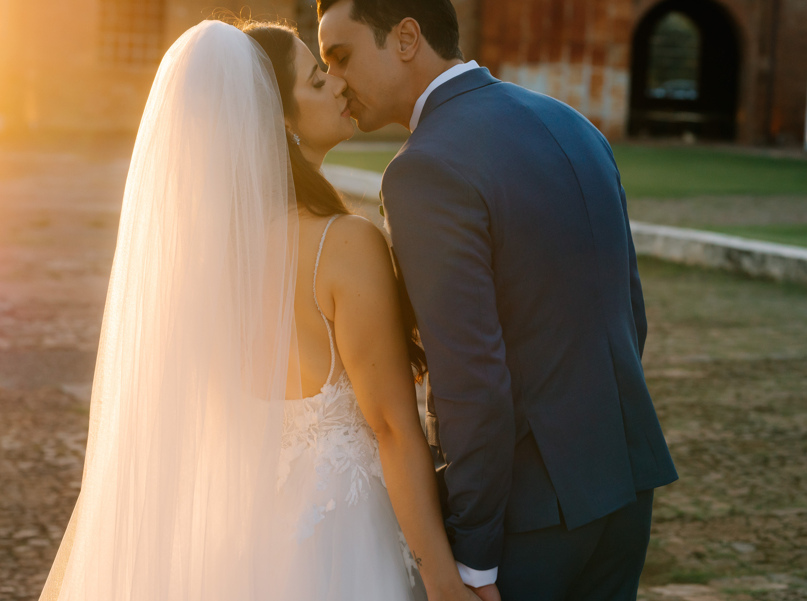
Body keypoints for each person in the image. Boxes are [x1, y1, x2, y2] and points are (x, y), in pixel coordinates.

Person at [38, 19, 480, 601]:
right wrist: (444, 581)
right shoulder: (343, 244)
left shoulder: (202, 261)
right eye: (320, 82)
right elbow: (394, 427)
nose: (341, 87)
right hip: (341, 548)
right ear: (278, 120)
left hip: (243, 548)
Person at [317, 1, 678, 600]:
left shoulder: (424, 171)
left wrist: (473, 558)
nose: (335, 79)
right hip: (624, 491)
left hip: (528, 521)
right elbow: (627, 314)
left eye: (342, 55)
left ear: (406, 38)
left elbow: (471, 381)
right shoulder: (572, 123)